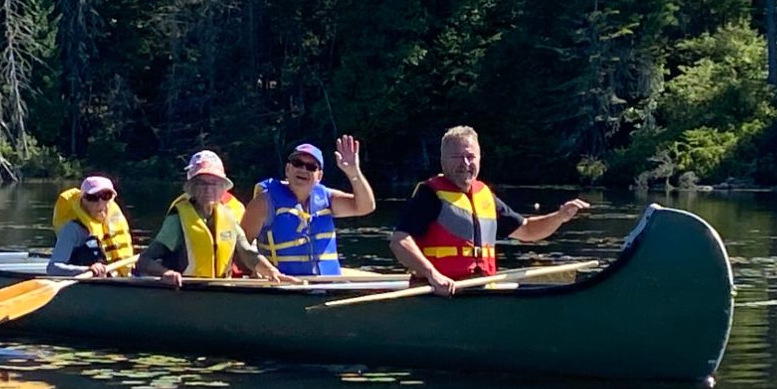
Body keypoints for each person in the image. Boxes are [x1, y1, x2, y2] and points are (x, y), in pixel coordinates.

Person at [389, 125, 590, 295]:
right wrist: (433, 274)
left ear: (479, 159)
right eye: (457, 157)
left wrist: (559, 217)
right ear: (443, 160)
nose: (465, 163)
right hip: (441, 291)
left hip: (480, 289)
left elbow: (528, 231)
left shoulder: (485, 196)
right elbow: (400, 241)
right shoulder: (429, 195)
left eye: (470, 156)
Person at [134, 150, 288, 287]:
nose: (208, 189)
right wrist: (165, 273)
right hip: (186, 293)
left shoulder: (228, 216)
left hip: (220, 291)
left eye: (214, 183)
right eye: (201, 183)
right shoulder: (178, 219)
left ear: (222, 188)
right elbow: (144, 261)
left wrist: (269, 269)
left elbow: (247, 253)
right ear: (192, 188)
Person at [240, 135, 376, 276]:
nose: (303, 169)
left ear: (319, 176)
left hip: (328, 285)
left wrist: (354, 172)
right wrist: (261, 269)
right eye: (297, 163)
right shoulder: (264, 202)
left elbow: (365, 207)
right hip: (283, 287)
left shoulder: (328, 199)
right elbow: (240, 247)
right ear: (288, 169)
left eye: (311, 167)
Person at [50, 175, 133, 276]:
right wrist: (87, 270)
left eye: (106, 196)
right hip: (87, 285)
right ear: (82, 201)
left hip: (118, 281)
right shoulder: (73, 229)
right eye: (92, 198)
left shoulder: (113, 225)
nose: (100, 203)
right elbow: (53, 268)